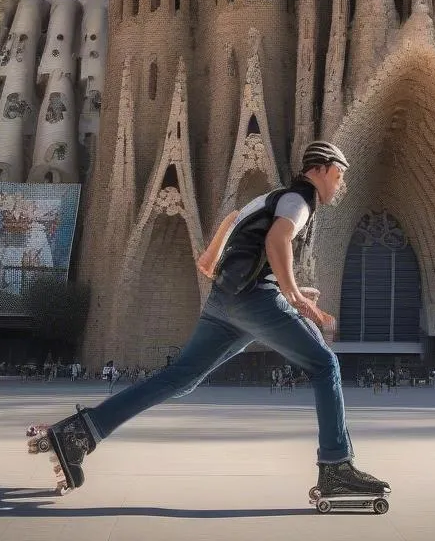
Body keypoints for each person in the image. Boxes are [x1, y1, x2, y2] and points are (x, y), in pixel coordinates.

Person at [28, 141, 389, 499]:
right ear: (320, 169)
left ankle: (80, 434)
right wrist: (291, 293)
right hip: (254, 302)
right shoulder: (300, 200)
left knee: (180, 377)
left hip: (224, 303)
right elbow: (277, 240)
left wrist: (284, 284)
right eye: (339, 175)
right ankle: (337, 466)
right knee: (325, 364)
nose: (340, 184)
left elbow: (229, 229)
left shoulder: (269, 199)